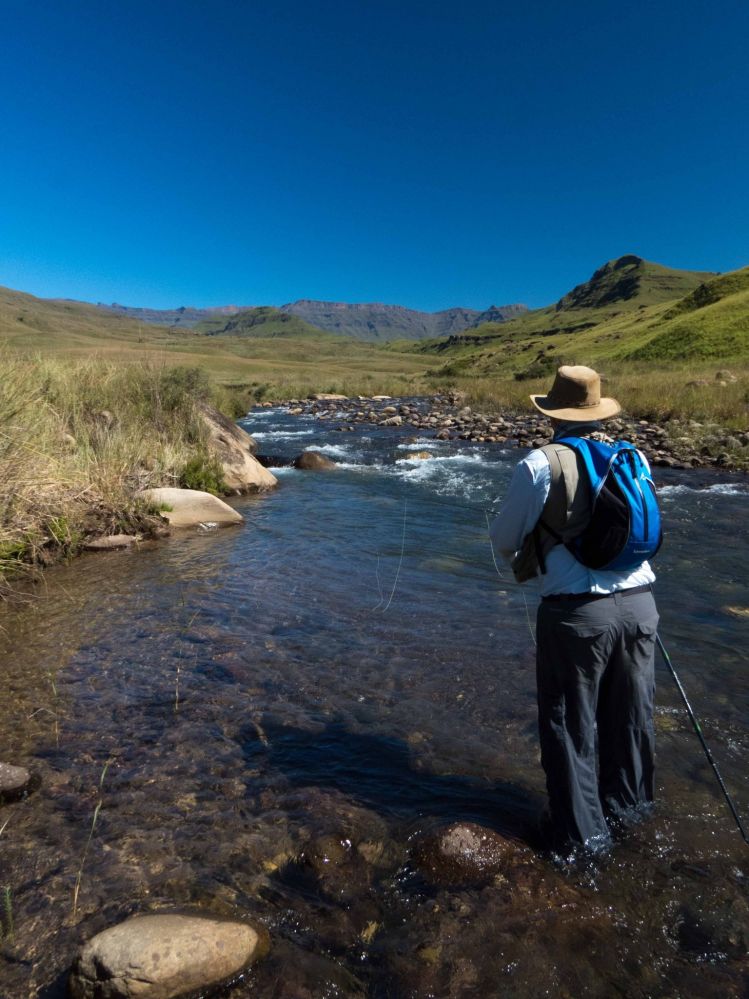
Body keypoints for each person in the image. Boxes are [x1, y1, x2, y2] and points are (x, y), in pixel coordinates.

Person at [490, 365, 659, 853]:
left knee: (570, 727)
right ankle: (631, 816)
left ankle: (581, 843)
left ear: (553, 415)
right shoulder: (633, 456)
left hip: (578, 616)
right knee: (633, 719)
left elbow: (504, 541)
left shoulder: (540, 464)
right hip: (642, 607)